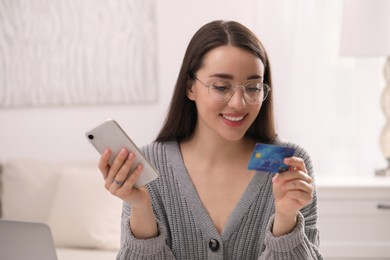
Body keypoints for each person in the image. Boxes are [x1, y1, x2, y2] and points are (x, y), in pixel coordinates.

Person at [98, 20, 323, 259]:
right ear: (190, 88)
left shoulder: (287, 163)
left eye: (253, 87)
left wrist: (286, 220)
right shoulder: (150, 164)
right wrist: (141, 208)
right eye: (221, 86)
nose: (238, 103)